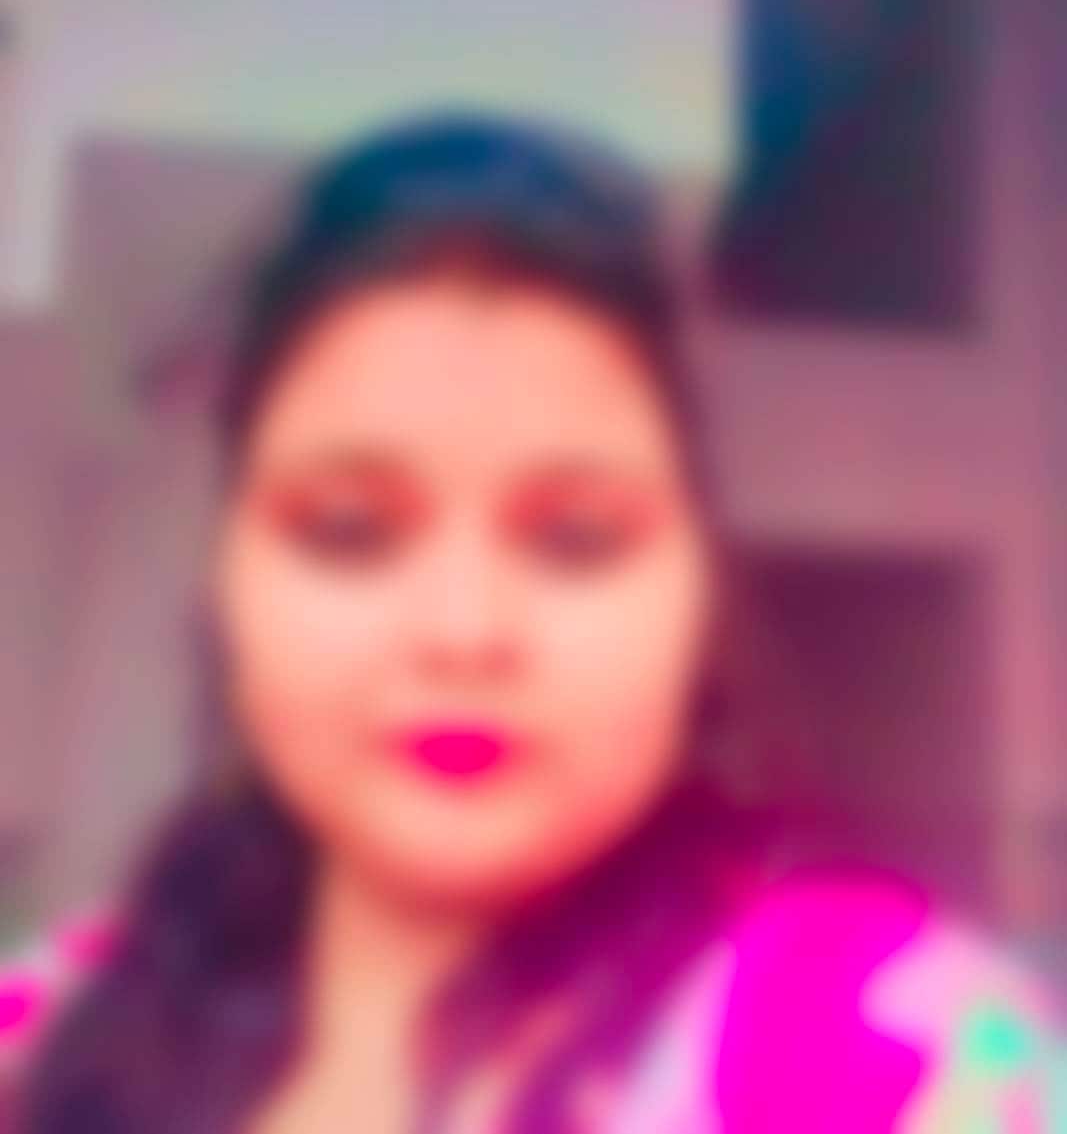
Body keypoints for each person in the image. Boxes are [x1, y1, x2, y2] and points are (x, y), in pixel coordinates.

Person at [1, 114, 1062, 1132]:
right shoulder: (46, 1030)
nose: (463, 630)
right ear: (226, 579)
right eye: (349, 530)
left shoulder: (893, 1059)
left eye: (576, 538)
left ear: (696, 594)